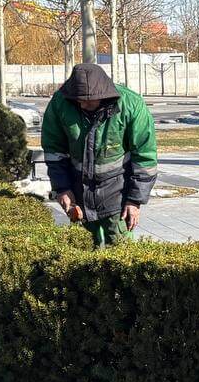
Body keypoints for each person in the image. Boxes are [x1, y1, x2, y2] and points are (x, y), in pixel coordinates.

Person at [41, 62, 158, 246]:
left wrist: (134, 201)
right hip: (79, 196)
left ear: (103, 95)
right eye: (80, 100)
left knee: (120, 253)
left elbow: (145, 158)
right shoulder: (60, 104)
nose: (84, 104)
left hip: (118, 198)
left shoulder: (131, 104)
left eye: (90, 100)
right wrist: (62, 189)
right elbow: (54, 153)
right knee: (82, 253)